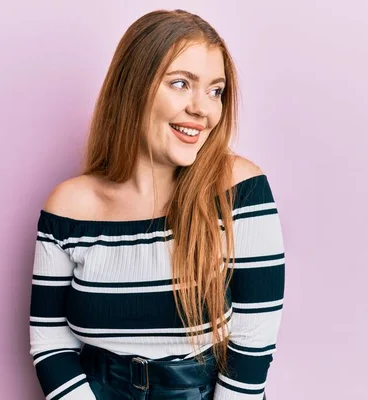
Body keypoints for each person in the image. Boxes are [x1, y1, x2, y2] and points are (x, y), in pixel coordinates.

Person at [29, 8, 285, 400]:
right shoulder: (69, 207)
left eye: (215, 91)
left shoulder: (239, 189)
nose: (203, 109)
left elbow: (254, 342)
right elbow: (50, 342)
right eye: (181, 83)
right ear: (132, 87)